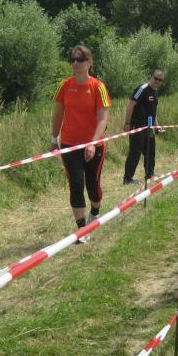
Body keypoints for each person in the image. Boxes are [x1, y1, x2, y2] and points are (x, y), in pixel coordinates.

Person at [52, 45, 112, 231]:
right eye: (73, 59)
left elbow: (103, 119)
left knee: (93, 185)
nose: (76, 63)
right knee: (76, 184)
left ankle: (95, 211)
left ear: (90, 63)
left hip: (94, 144)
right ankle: (81, 229)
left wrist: (92, 144)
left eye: (80, 59)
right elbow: (58, 114)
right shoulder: (64, 85)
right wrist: (54, 139)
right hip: (69, 144)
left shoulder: (98, 87)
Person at [122, 69, 165, 185]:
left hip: (149, 127)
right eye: (156, 78)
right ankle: (127, 179)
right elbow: (131, 104)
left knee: (150, 151)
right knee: (135, 152)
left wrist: (156, 125)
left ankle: (150, 175)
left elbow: (153, 111)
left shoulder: (156, 92)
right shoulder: (142, 89)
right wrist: (127, 123)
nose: (157, 81)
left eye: (160, 80)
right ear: (151, 76)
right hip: (137, 126)